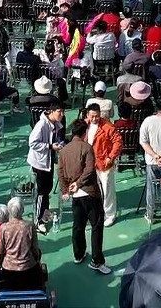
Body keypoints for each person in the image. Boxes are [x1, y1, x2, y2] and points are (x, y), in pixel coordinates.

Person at [58, 117, 110, 274]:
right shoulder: (87, 148)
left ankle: (78, 254)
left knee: (78, 226)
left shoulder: (63, 151)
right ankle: (97, 260)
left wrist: (65, 189)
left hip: (75, 195)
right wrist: (79, 183)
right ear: (84, 132)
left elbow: (60, 172)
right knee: (96, 225)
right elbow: (89, 170)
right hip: (89, 192)